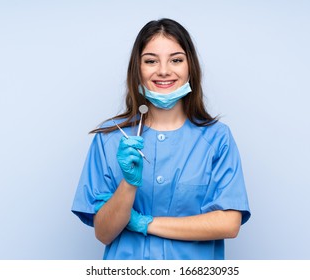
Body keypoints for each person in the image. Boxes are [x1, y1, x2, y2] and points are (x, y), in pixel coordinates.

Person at [71, 18, 251, 260]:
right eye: (151, 61)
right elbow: (104, 233)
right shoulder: (110, 138)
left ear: (190, 68)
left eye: (176, 60)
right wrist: (129, 184)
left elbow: (229, 223)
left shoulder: (217, 138)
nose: (164, 70)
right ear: (138, 69)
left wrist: (145, 223)